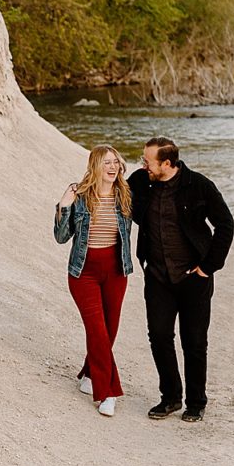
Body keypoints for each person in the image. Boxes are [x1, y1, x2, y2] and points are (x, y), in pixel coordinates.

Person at [126, 139, 234, 422]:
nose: (143, 165)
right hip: (158, 277)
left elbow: (225, 224)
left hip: (194, 279)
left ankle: (196, 402)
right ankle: (171, 397)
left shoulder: (199, 185)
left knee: (194, 342)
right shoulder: (141, 181)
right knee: (159, 336)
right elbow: (116, 194)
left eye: (148, 161)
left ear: (167, 163)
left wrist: (208, 267)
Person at [53, 146, 135, 417]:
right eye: (107, 162)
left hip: (116, 272)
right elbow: (61, 237)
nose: (113, 167)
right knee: (98, 331)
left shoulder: (125, 195)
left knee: (109, 330)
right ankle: (107, 391)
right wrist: (64, 205)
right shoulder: (80, 197)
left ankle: (89, 375)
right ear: (95, 166)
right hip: (84, 274)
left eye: (116, 162)